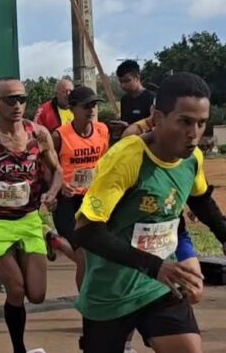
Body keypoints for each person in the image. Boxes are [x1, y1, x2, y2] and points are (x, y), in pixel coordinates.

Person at [73, 72, 213, 353]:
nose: (193, 133)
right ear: (157, 117)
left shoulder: (192, 158)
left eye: (201, 123)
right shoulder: (126, 158)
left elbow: (201, 200)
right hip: (112, 288)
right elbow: (86, 231)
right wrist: (155, 266)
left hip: (161, 284)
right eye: (184, 121)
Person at [0, 78, 62, 353]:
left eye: (22, 99)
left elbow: (58, 171)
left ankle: (14, 266)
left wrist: (52, 193)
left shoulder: (39, 134)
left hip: (29, 219)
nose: (17, 105)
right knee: (17, 292)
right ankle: (19, 348)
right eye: (10, 100)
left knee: (38, 296)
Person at [48, 86, 109, 289]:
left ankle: (56, 241)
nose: (91, 110)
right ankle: (86, 304)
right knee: (82, 253)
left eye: (94, 105)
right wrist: (58, 187)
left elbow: (105, 162)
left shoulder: (102, 130)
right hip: (67, 201)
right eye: (86, 106)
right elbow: (46, 167)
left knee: (94, 252)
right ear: (72, 108)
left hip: (91, 200)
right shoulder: (59, 136)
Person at [117, 59, 155, 125]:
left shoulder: (152, 98)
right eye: (121, 82)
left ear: (137, 78)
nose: (123, 85)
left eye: (127, 81)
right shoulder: (124, 100)